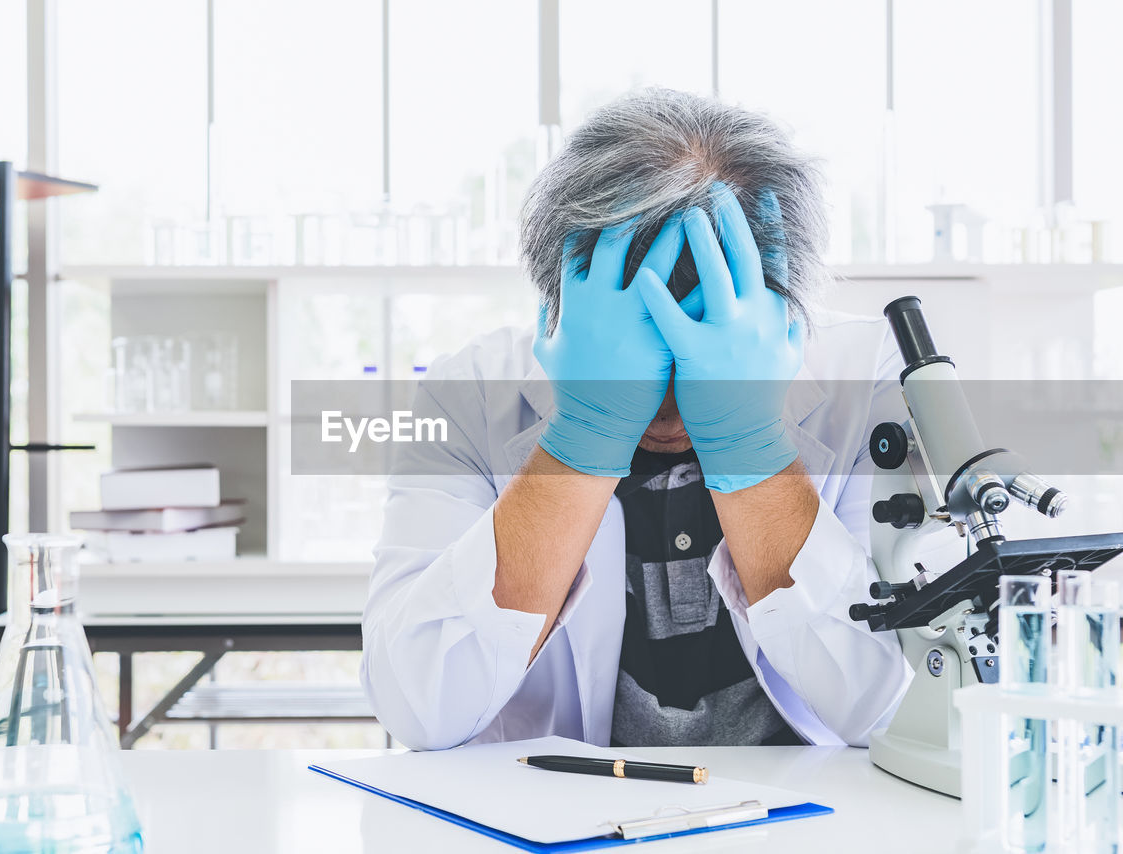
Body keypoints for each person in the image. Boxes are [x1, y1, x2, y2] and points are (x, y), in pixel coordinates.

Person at [360, 88, 912, 751]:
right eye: (641, 351)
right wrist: (586, 432)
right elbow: (419, 707)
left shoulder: (877, 380)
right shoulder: (470, 395)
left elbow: (902, 711)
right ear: (559, 299)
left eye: (700, 357)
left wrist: (749, 441)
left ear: (786, 310)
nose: (669, 407)